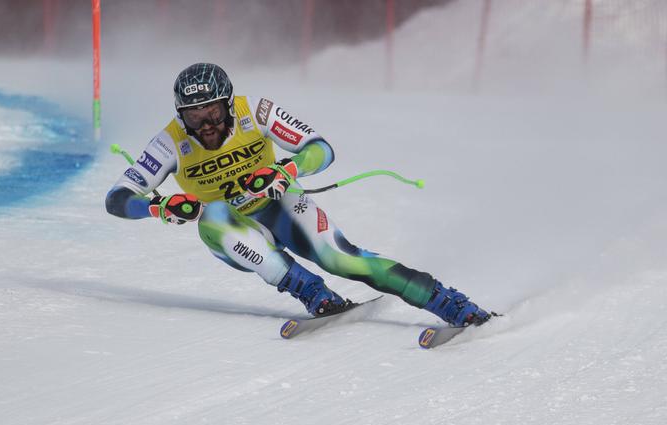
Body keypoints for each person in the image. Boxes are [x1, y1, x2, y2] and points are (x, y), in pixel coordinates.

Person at [105, 62, 491, 326]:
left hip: (280, 204)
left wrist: (286, 168)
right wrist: (158, 208)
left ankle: (447, 302)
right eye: (193, 116)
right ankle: (309, 290)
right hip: (233, 233)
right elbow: (118, 198)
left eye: (213, 113)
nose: (206, 125)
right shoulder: (169, 142)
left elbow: (320, 149)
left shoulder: (253, 111)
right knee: (212, 216)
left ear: (228, 103)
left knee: (343, 260)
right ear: (180, 115)